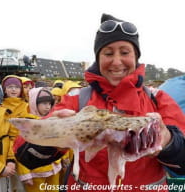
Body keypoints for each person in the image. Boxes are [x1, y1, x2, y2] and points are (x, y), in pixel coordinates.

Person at [46, 13, 185, 192]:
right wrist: (53, 137)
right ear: (98, 58)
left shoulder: (158, 99)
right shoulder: (76, 99)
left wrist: (167, 143)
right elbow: (27, 156)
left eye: (125, 52)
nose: (117, 62)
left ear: (136, 57)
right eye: (108, 53)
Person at [0, 76, 17, 192]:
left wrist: (11, 160)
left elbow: (12, 138)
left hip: (5, 169)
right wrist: (0, 168)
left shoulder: (4, 113)